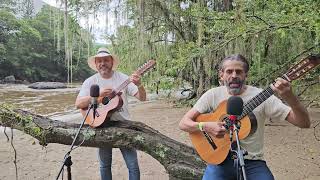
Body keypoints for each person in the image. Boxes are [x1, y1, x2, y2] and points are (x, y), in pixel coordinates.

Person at [179, 54, 310, 180]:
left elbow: (304, 123)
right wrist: (205, 126)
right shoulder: (212, 95)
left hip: (252, 162)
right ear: (221, 74)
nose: (234, 76)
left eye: (239, 71)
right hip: (218, 161)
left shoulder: (262, 96)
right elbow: (184, 123)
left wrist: (290, 97)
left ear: (246, 75)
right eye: (229, 71)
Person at [75, 47, 146, 180]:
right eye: (99, 61)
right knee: (104, 165)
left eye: (106, 60)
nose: (103, 63)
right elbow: (78, 104)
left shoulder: (124, 78)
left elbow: (142, 98)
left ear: (112, 62)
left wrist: (140, 85)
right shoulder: (90, 82)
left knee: (133, 166)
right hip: (101, 125)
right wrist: (99, 96)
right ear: (95, 64)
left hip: (124, 126)